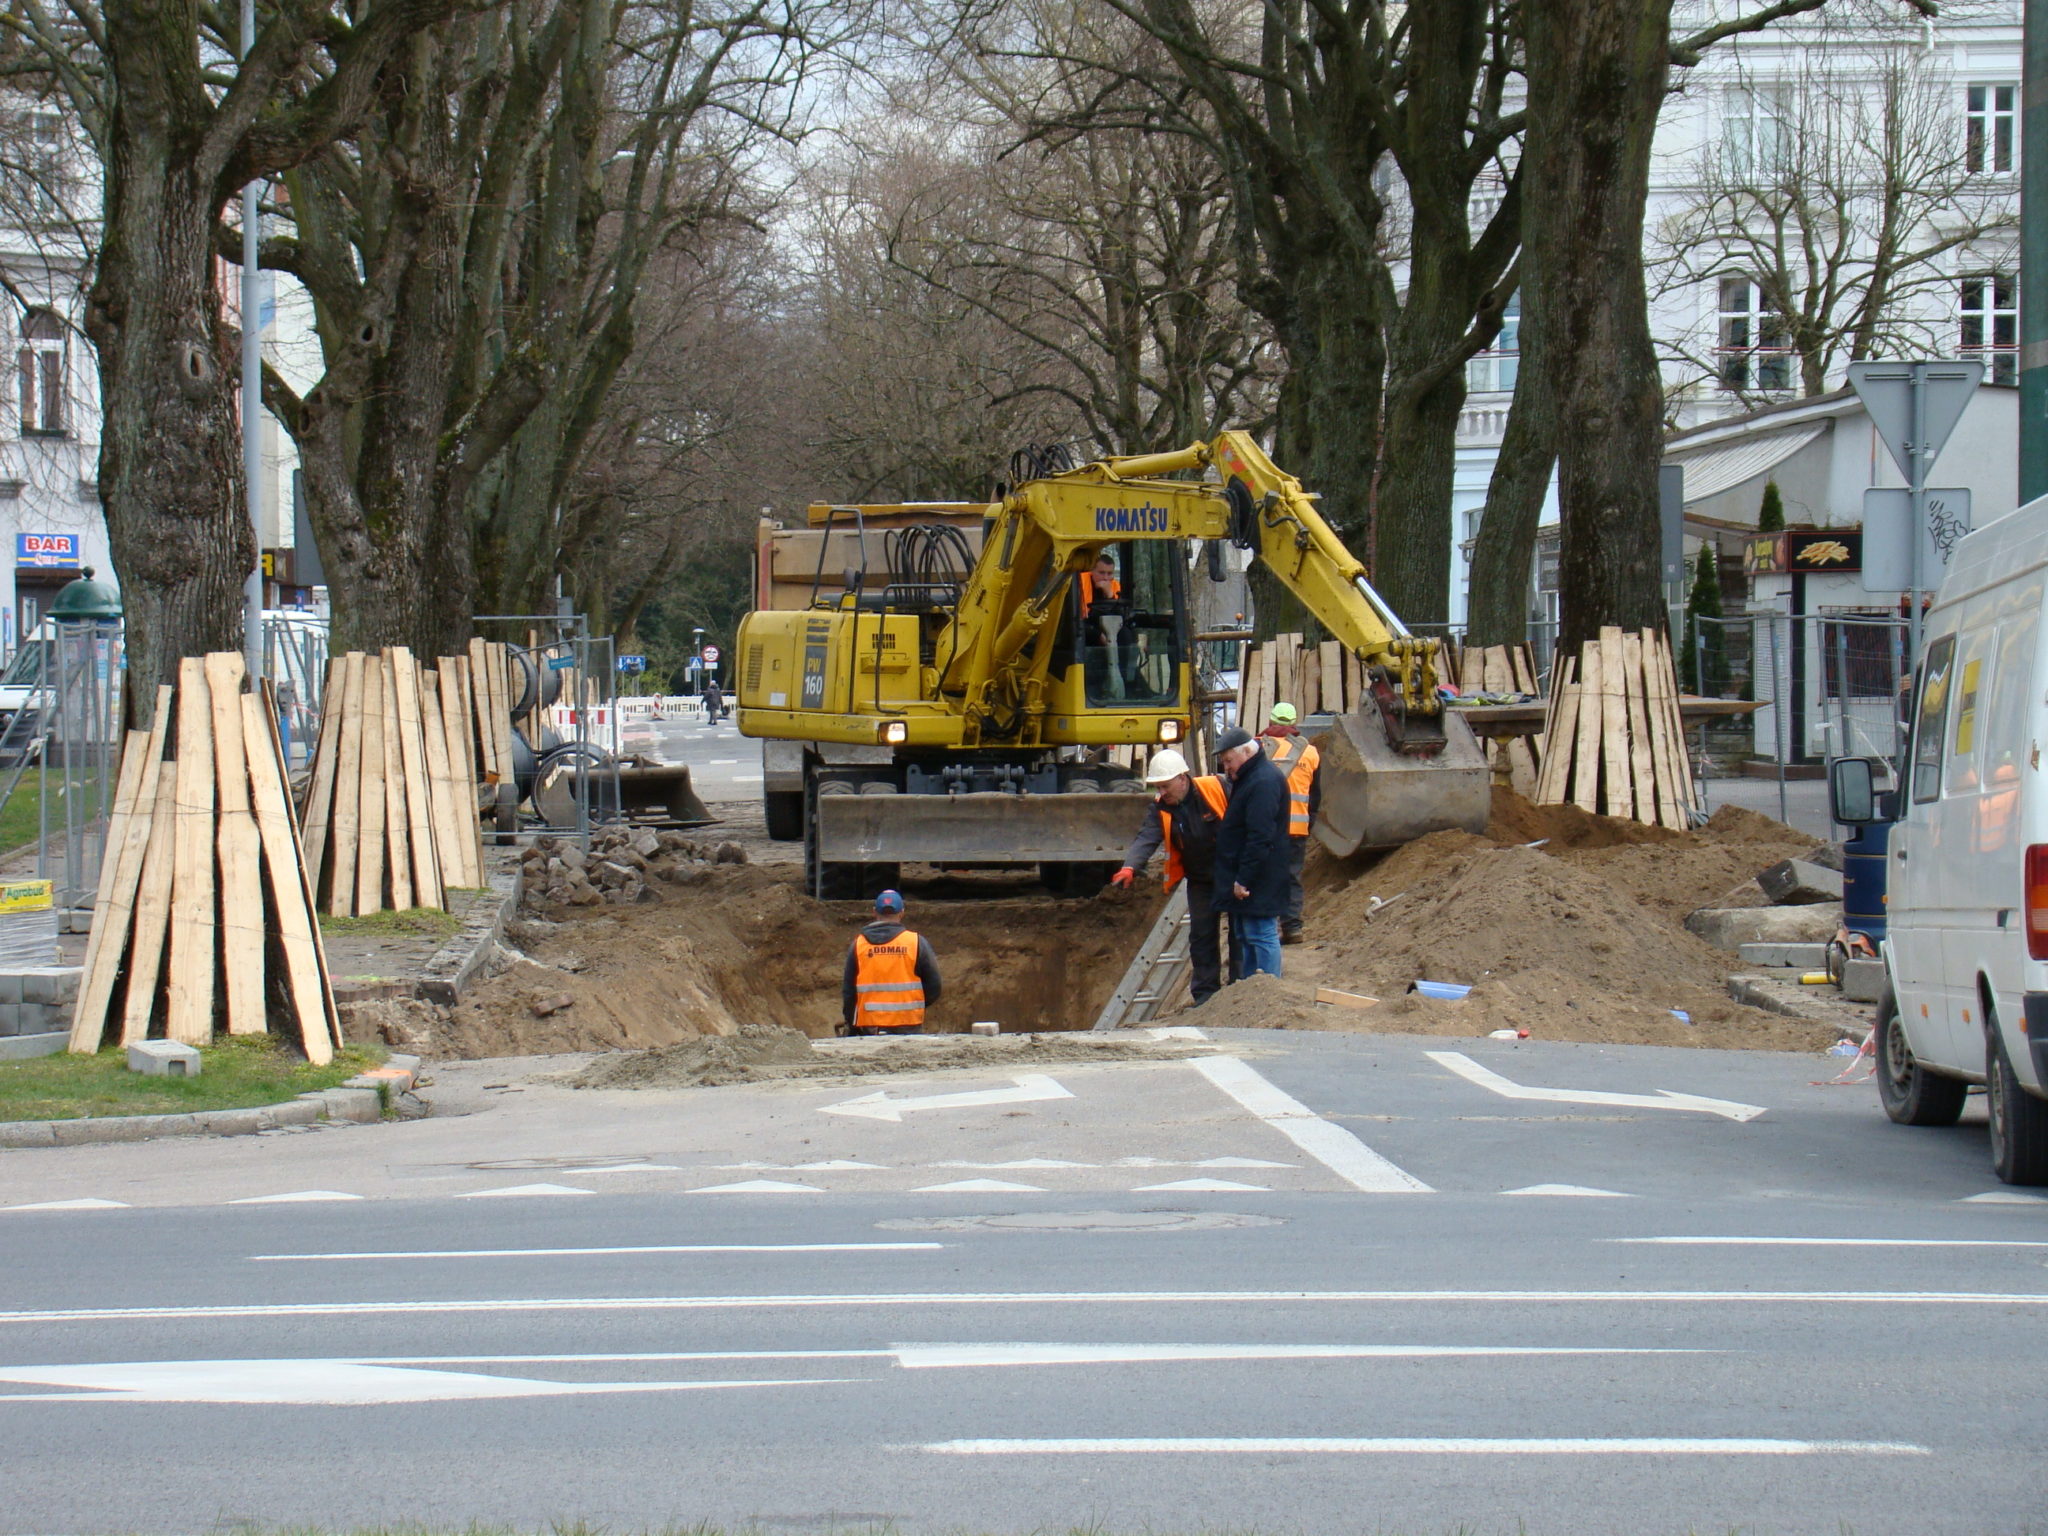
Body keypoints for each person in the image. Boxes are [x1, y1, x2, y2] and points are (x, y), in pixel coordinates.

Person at [1109, 748, 1230, 1004]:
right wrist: (1130, 866)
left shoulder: (1215, 788)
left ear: (1182, 778)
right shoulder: (1161, 807)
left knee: (1240, 932)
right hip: (1199, 879)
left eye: (1165, 786)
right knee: (1201, 936)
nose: (1162, 793)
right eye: (1158, 787)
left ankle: (1240, 988)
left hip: (1230, 873)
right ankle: (1206, 996)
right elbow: (1147, 837)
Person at [1210, 724, 1290, 981]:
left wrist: (1244, 878)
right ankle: (1251, 990)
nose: (1227, 767)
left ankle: (1267, 989)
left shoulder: (1263, 781)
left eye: (1229, 760)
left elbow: (1259, 836)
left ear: (1246, 752)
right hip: (1255, 875)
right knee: (1247, 934)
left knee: (1261, 933)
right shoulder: (1251, 778)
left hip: (1260, 877)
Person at [1259, 702, 1321, 944]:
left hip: (1267, 827)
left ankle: (1266, 928)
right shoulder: (1310, 752)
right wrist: (1309, 821)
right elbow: (1316, 795)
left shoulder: (1259, 747)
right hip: (1297, 828)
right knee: (1291, 877)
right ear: (1294, 724)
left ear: (1272, 721)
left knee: (1264, 876)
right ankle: (1292, 928)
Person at [841, 889, 942, 1036]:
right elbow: (934, 986)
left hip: (871, 1025)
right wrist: (914, 1005)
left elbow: (849, 992)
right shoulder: (915, 942)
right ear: (901, 913)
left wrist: (851, 1024)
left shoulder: (859, 945)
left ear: (874, 912)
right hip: (908, 1024)